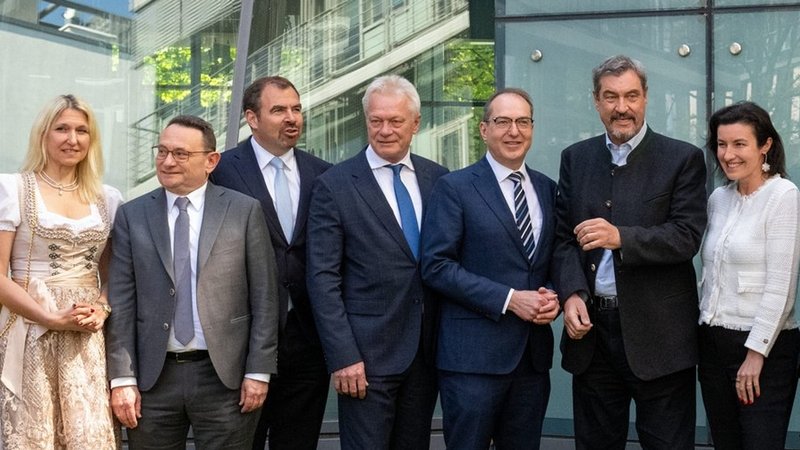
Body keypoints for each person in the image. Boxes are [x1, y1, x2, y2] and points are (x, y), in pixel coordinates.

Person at [553, 55, 708, 449]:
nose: (621, 107)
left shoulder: (683, 158)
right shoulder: (575, 158)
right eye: (611, 97)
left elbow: (686, 236)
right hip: (592, 338)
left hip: (661, 338)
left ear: (645, 97)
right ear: (596, 100)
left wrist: (620, 237)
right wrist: (571, 293)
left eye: (631, 96)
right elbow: (563, 239)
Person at [105, 115, 279, 449]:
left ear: (211, 161)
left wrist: (258, 371)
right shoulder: (132, 215)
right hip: (152, 381)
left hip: (225, 379)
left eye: (181, 154)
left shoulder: (243, 211)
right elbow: (122, 302)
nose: (167, 161)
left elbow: (265, 298)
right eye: (162, 151)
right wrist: (122, 378)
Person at [306, 74, 448, 449]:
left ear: (415, 123)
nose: (385, 130)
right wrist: (343, 356)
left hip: (427, 353)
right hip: (365, 358)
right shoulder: (334, 185)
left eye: (395, 121)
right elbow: (322, 279)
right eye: (376, 120)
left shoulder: (439, 179)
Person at [420, 88, 560, 449]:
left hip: (531, 361)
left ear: (532, 128)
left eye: (523, 122)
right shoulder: (454, 187)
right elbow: (436, 266)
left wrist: (552, 295)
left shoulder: (547, 189)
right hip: (472, 362)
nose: (514, 131)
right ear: (484, 130)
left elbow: (551, 259)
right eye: (503, 122)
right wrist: (510, 299)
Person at [210, 76, 331, 450]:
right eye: (279, 110)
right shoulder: (221, 171)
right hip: (242, 340)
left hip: (307, 336)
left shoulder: (323, 174)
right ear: (252, 118)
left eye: (296, 109)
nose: (292, 118)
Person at [0, 94, 121, 448]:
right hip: (29, 327)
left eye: (82, 130)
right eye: (62, 129)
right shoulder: (13, 189)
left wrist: (101, 307)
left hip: (85, 335)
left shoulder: (107, 198)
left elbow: (114, 274)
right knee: (34, 433)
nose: (72, 139)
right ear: (43, 134)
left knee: (87, 434)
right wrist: (50, 318)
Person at [698, 101, 800, 449]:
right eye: (721, 144)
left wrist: (756, 354)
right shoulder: (718, 198)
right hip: (713, 344)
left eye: (739, 144)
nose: (728, 155)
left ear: (765, 145)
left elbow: (781, 286)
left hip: (763, 349)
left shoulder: (783, 196)